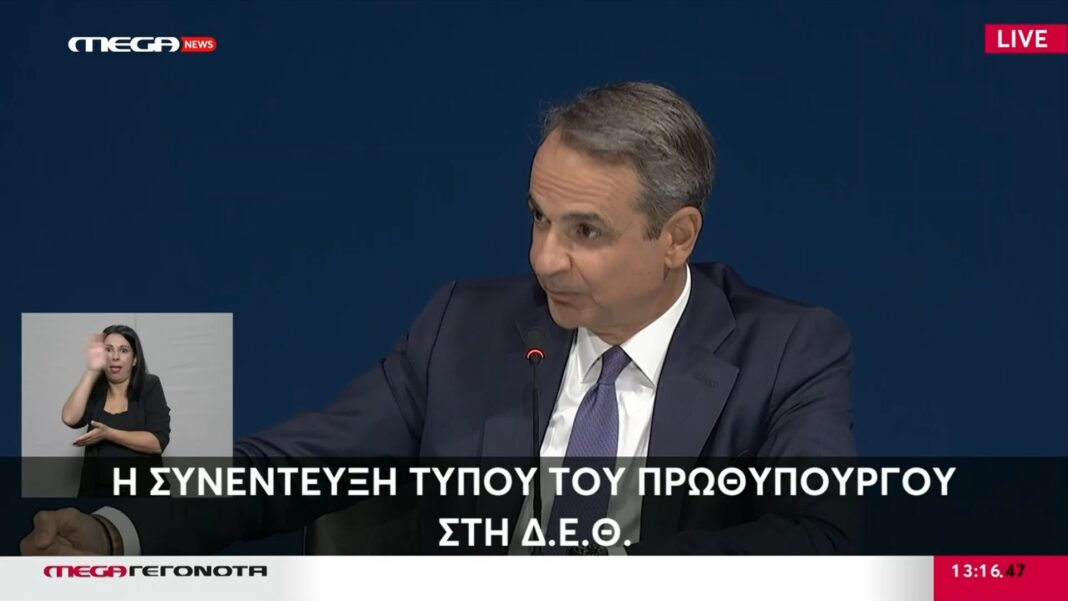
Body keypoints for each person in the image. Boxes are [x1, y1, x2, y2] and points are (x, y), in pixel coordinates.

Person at [21, 82, 855, 556]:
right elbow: (295, 463)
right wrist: (113, 529)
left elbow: (820, 535)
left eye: (586, 232)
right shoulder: (467, 327)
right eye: (538, 218)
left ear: (677, 237)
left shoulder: (787, 348)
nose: (544, 259)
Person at [60, 325, 171, 497]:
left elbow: (156, 443)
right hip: (97, 494)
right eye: (108, 350)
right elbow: (69, 418)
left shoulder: (149, 386)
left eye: (123, 350)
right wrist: (91, 371)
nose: (115, 356)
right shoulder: (95, 390)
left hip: (144, 494)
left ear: (134, 359)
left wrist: (108, 434)